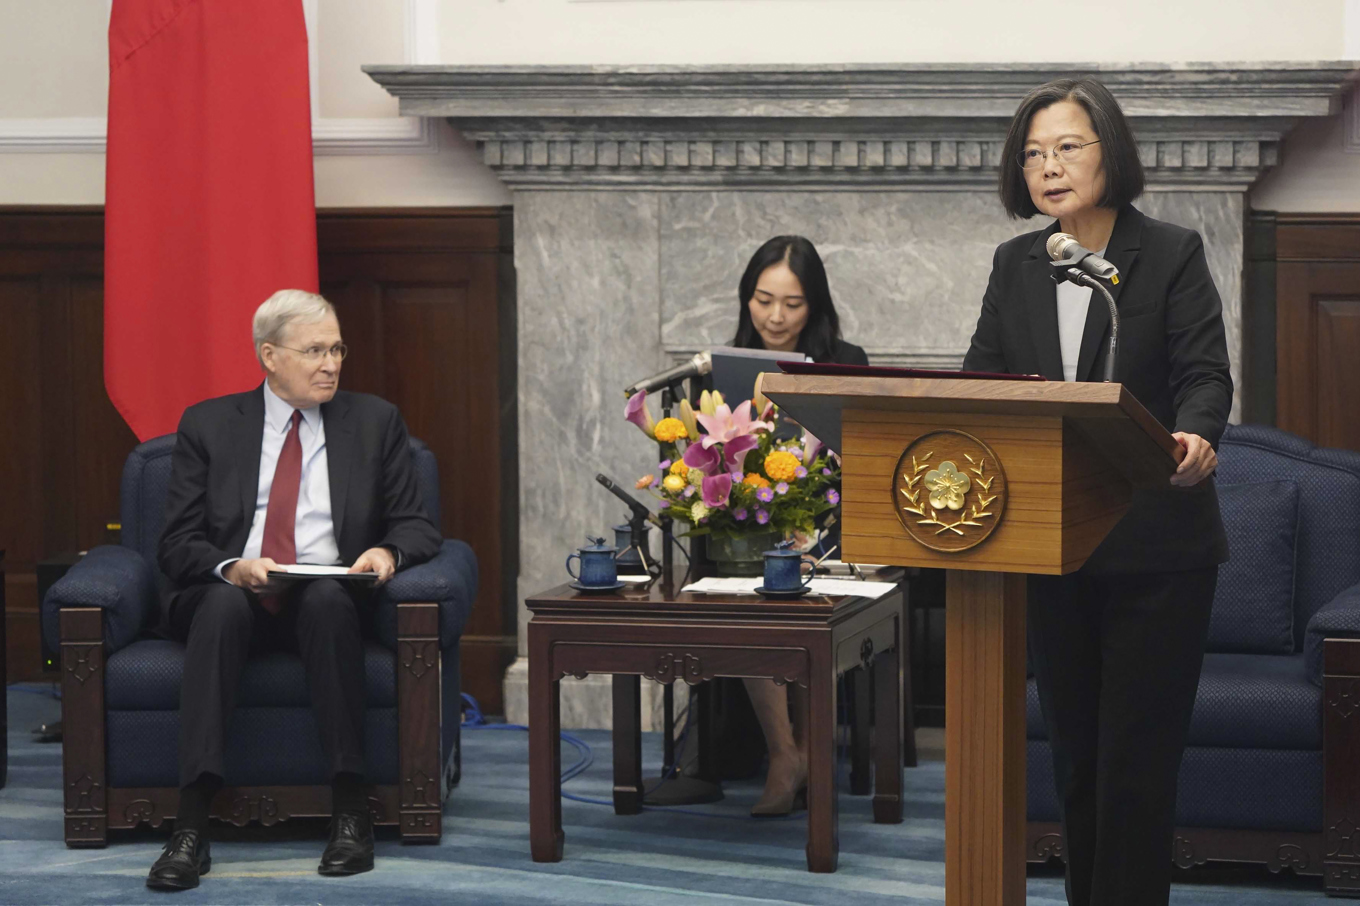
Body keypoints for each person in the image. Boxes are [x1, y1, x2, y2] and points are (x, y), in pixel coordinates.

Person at [962, 78, 1231, 906]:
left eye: (1067, 147)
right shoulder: (1016, 264)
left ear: (1110, 152)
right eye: (1033, 153)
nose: (1048, 167)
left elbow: (1204, 375)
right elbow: (981, 383)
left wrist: (1196, 436)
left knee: (1136, 766)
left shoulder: (1172, 251)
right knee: (1077, 758)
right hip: (1054, 544)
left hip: (1158, 549)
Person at [149, 289, 441, 890]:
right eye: (313, 350)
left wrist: (387, 552)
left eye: (336, 348)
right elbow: (176, 541)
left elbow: (417, 523)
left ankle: (351, 809)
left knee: (330, 601)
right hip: (229, 595)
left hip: (325, 597)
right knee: (226, 602)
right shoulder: (208, 423)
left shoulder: (375, 421)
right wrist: (235, 565)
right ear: (269, 356)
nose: (330, 363)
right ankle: (191, 825)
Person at [729, 235, 866, 816]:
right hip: (755, 536)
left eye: (792, 304)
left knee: (810, 602)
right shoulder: (730, 364)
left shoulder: (848, 363)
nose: (776, 317)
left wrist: (822, 546)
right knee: (743, 596)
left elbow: (863, 470)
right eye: (763, 301)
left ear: (815, 306)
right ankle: (786, 754)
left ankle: (810, 751)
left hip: (837, 534)